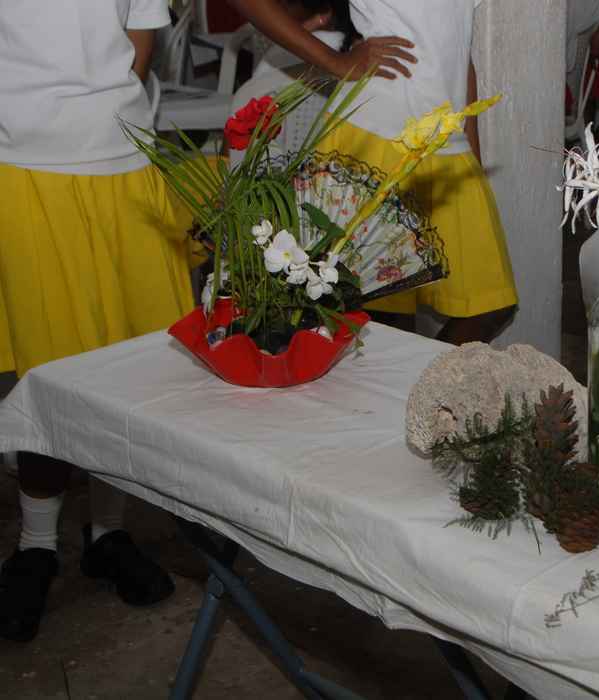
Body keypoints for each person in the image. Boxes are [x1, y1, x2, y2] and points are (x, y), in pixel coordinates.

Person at [0, 0, 194, 642]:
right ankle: (35, 545)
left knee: (129, 370)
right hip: (24, 168)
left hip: (124, 163)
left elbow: (139, 43)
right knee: (46, 372)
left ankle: (108, 534)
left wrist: (96, 121)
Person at [229, 0, 518, 346]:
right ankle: (409, 380)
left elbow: (457, 50)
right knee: (375, 316)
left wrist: (470, 151)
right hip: (373, 136)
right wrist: (336, 61)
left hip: (444, 145)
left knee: (489, 307)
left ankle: (420, 378)